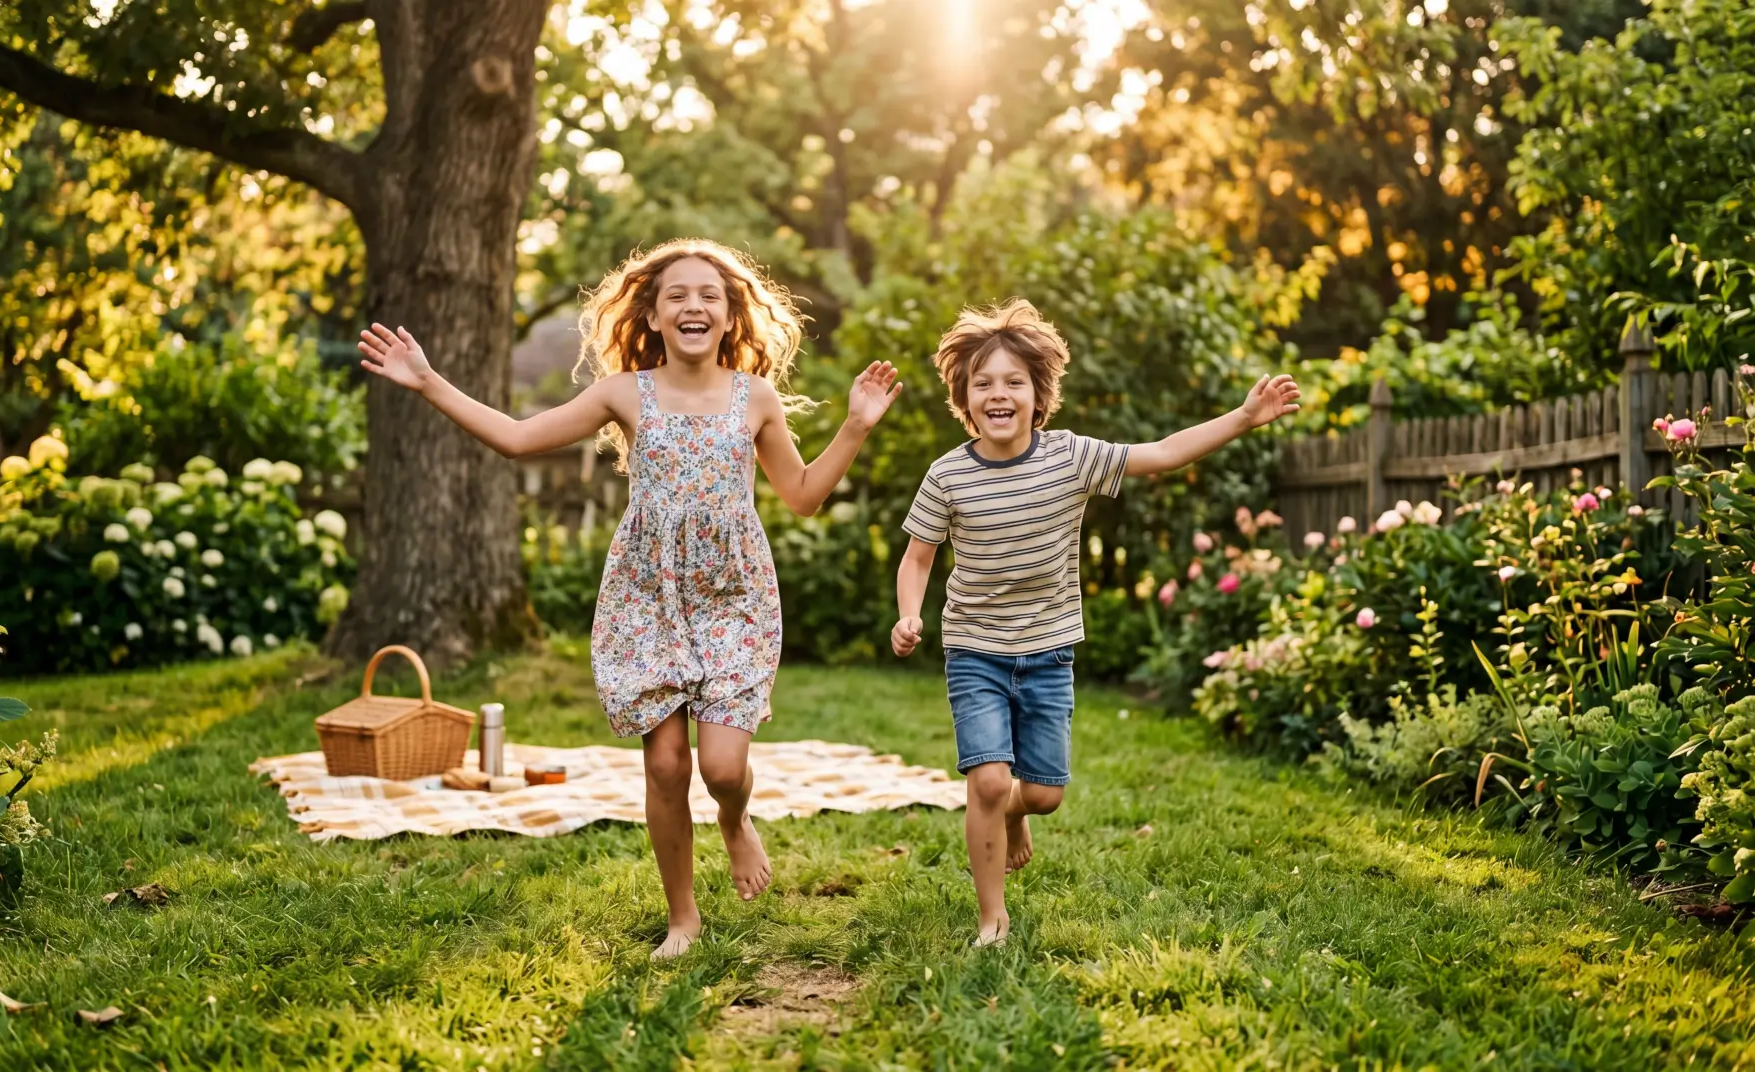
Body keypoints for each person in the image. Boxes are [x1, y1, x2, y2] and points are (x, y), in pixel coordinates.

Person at [357, 239, 901, 958]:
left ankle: (735, 823)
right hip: (646, 595)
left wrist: (856, 427)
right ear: (651, 311)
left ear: (731, 312)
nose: (693, 305)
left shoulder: (755, 397)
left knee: (722, 768)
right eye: (676, 294)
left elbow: (801, 497)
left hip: (734, 596)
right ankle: (684, 918)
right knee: (668, 764)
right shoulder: (625, 392)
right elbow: (520, 440)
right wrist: (430, 383)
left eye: (709, 294)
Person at [888, 299, 1299, 946]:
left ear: (1039, 394)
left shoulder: (1071, 457)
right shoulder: (948, 475)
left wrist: (1244, 418)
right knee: (989, 781)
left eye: (1013, 382)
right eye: (983, 383)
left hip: (1049, 652)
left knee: (1042, 794)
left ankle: (1018, 815)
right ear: (964, 397)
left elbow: (1162, 453)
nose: (998, 394)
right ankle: (991, 917)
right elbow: (918, 557)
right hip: (975, 651)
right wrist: (910, 614)